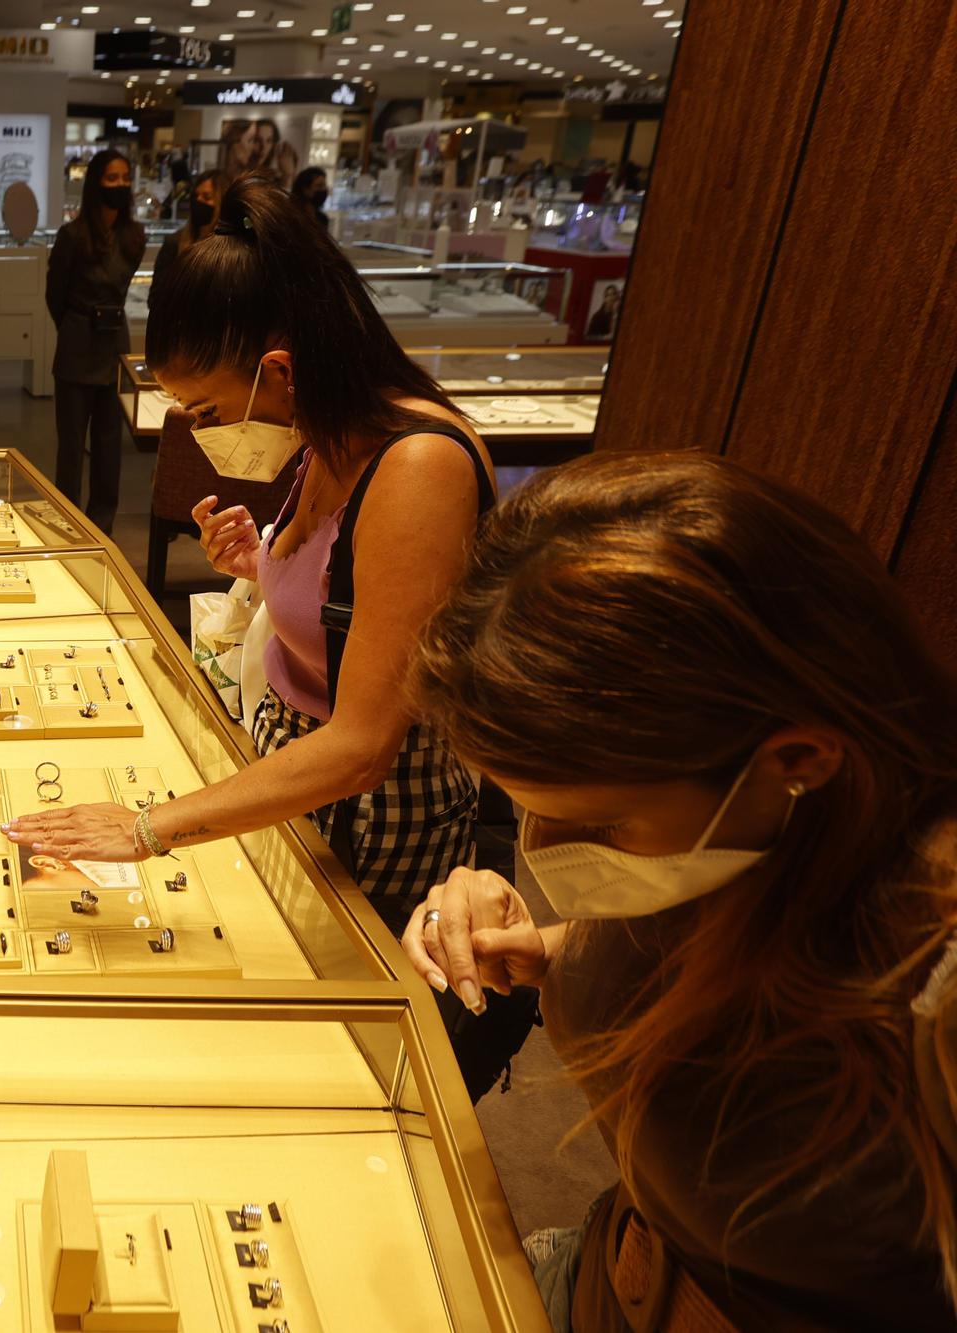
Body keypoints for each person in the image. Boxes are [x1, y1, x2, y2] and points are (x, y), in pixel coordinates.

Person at [400, 452, 957, 1332]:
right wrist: (549, 945)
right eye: (531, 815)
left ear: (798, 762)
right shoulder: (745, 835)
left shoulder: (936, 973)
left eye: (606, 826)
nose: (547, 858)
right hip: (600, 1273)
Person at [13, 174, 493, 937]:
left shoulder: (420, 468)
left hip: (364, 826)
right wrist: (262, 562)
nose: (199, 432)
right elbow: (349, 593)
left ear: (278, 371)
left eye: (204, 409)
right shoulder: (323, 432)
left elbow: (363, 745)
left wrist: (145, 827)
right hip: (283, 787)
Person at [45, 148, 145, 531]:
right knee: (70, 448)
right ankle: (66, 523)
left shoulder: (134, 236)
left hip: (114, 346)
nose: (119, 185)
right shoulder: (71, 235)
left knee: (109, 447)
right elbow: (56, 295)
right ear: (95, 184)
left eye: (124, 178)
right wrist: (75, 327)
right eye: (111, 178)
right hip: (76, 347)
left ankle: (101, 526)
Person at [149, 169, 225, 309]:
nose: (198, 201)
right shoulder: (176, 241)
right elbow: (156, 297)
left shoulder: (233, 248)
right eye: (196, 196)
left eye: (207, 197)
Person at [291, 167, 331, 231]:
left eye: (324, 185)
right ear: (305, 189)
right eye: (319, 186)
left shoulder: (322, 219)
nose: (324, 189)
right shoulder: (291, 216)